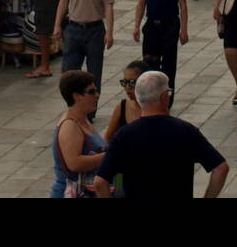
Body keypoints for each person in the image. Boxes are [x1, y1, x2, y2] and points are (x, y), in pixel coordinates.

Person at [93, 71, 229, 198]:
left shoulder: (124, 135)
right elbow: (221, 168)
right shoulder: (185, 131)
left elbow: (100, 183)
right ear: (164, 97)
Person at [133, 0, 190, 99]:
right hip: (152, 25)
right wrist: (136, 25)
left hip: (170, 26)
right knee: (150, 63)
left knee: (169, 64)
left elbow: (183, 5)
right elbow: (141, 2)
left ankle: (168, 96)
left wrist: (183, 30)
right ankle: (151, 95)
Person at [50, 71, 108, 198]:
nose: (97, 95)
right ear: (76, 96)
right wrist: (111, 155)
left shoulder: (83, 119)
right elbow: (74, 163)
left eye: (96, 90)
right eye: (91, 92)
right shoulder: (70, 125)